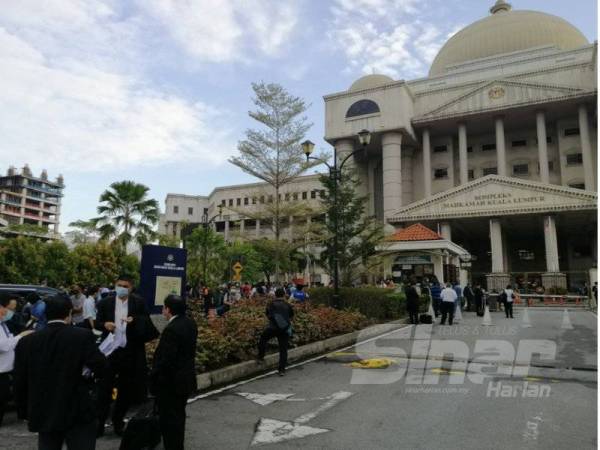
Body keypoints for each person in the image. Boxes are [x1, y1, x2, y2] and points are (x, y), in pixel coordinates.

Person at [14, 294, 107, 449]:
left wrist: (24, 410)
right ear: (69, 313)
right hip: (77, 409)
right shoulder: (81, 336)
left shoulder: (27, 341)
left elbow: (20, 379)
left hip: (44, 408)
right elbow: (101, 366)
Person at [95, 275, 158, 437]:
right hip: (109, 351)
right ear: (115, 286)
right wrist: (104, 325)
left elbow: (147, 323)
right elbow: (97, 323)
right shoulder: (105, 303)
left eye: (125, 286)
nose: (122, 288)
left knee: (126, 390)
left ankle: (118, 421)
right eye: (119, 285)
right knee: (104, 389)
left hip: (130, 352)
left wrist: (134, 321)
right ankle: (99, 423)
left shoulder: (138, 302)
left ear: (131, 288)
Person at [149, 295, 197, 450]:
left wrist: (153, 377)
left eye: (164, 307)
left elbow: (165, 359)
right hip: (185, 379)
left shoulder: (172, 329)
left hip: (171, 383)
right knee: (179, 416)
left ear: (168, 309)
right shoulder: (190, 323)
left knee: (169, 420)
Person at [0, 294, 33, 427]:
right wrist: (20, 336)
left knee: (4, 397)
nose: (11, 312)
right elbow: (3, 346)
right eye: (10, 309)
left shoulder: (3, 324)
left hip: (4, 370)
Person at [257, 288, 294, 376]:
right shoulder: (288, 305)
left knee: (263, 338)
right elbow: (291, 316)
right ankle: (281, 370)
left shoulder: (271, 304)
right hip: (285, 328)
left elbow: (268, 314)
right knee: (283, 349)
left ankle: (260, 357)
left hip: (273, 328)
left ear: (275, 295)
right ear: (284, 295)